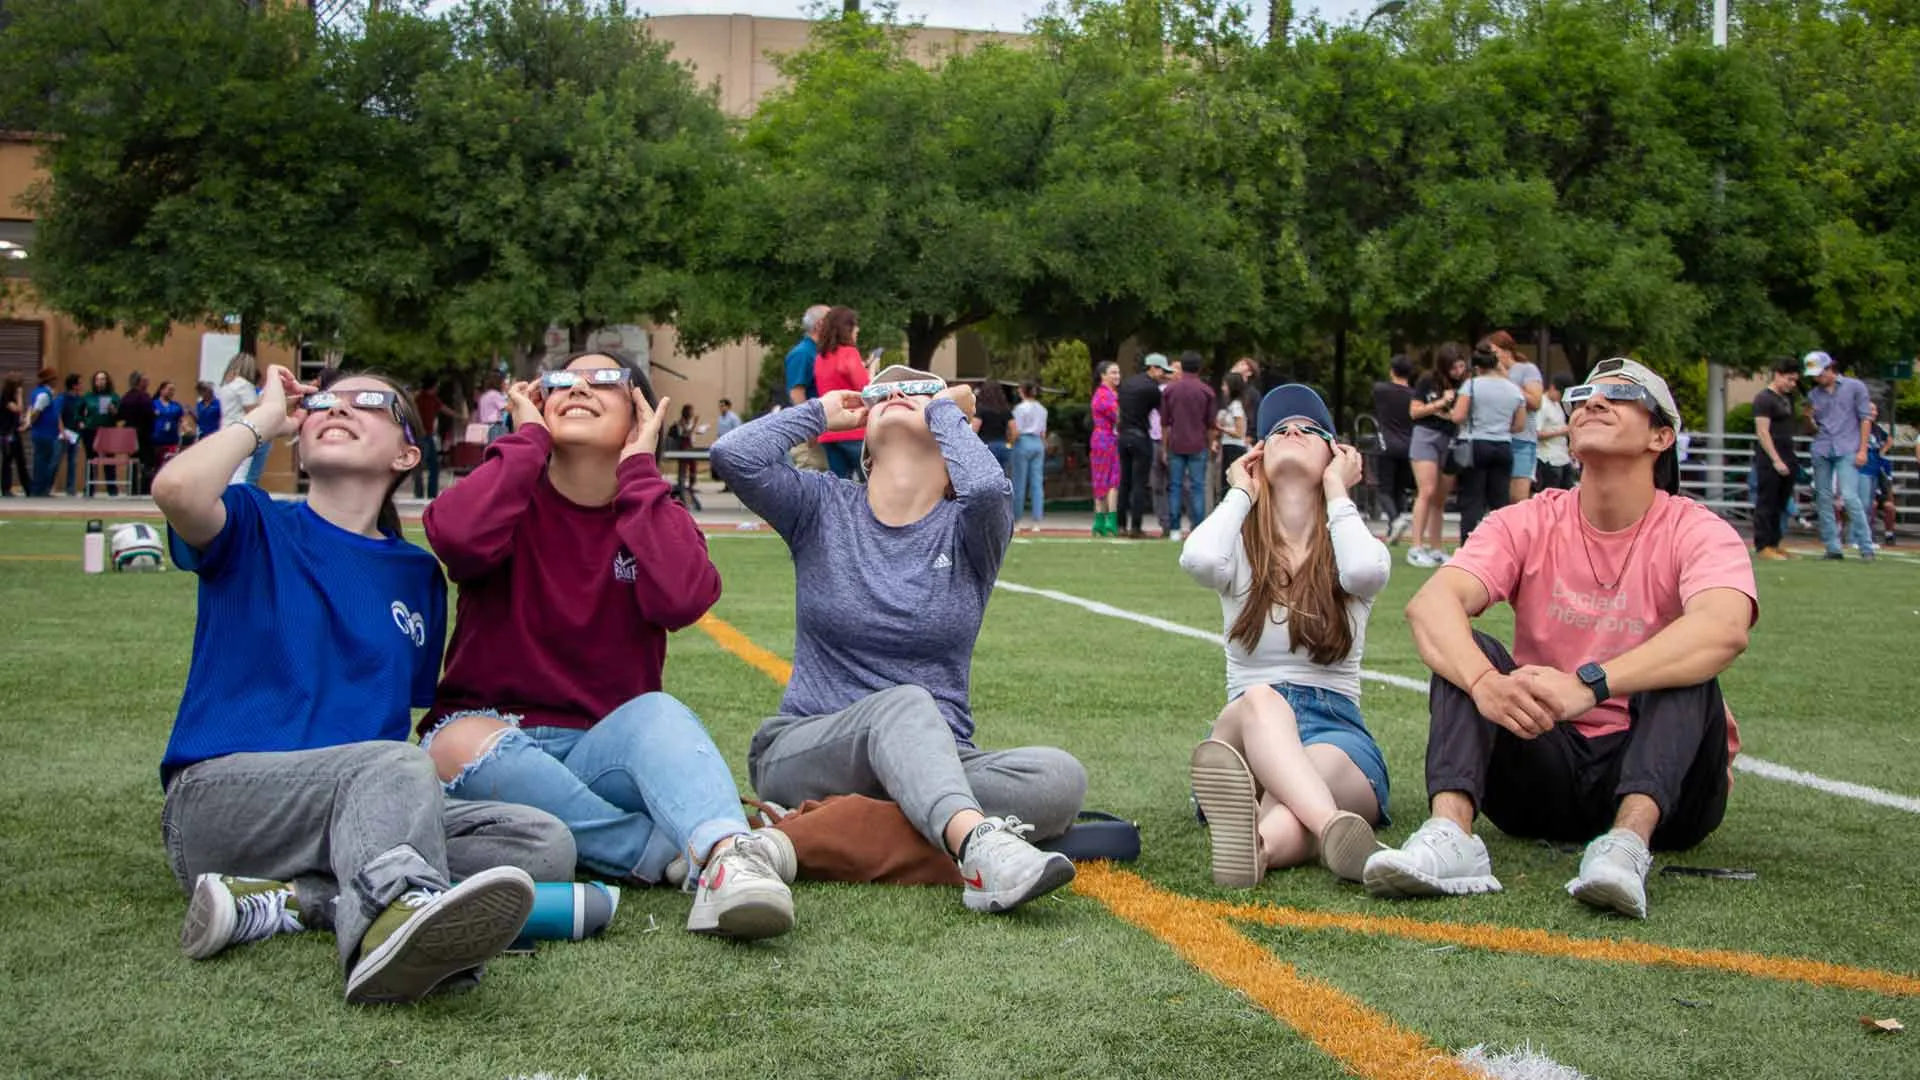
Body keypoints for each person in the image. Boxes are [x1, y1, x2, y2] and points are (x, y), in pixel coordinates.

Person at [152, 363, 573, 1003]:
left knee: (541, 843)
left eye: (368, 402)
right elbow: (178, 488)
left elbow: (402, 706)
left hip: (357, 808)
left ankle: (296, 902)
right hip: (222, 803)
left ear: (407, 452)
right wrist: (264, 420)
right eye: (322, 402)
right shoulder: (254, 523)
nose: (337, 409)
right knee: (394, 767)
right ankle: (389, 930)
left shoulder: (416, 577)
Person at [420, 352, 796, 940]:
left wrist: (640, 471)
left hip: (601, 754)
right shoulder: (508, 494)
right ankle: (659, 851)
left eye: (605, 382)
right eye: (563, 381)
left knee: (658, 713)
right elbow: (457, 539)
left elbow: (683, 599)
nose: (580, 389)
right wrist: (525, 444)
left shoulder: (650, 511)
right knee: (458, 739)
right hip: (494, 747)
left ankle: (729, 859)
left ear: (640, 413)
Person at [1365, 357, 1755, 920]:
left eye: (1620, 395)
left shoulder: (1696, 530)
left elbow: (1723, 629)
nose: (1593, 402)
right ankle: (1451, 836)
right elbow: (1430, 605)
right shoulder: (1526, 520)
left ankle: (1627, 846)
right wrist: (1484, 684)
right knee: (1469, 649)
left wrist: (1589, 685)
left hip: (1671, 796)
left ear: (1661, 435)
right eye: (1584, 398)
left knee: (1686, 666)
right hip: (1543, 769)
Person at [710, 365, 1088, 914]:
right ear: (864, 443)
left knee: (1058, 780)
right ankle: (975, 844)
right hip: (806, 747)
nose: (901, 395)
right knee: (906, 705)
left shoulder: (970, 529)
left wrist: (944, 411)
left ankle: (808, 832)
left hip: (939, 757)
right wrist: (820, 413)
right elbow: (732, 457)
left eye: (920, 390)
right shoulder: (823, 507)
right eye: (887, 391)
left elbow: (985, 487)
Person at [1182, 384, 1393, 888]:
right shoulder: (1236, 546)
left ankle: (1256, 849)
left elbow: (1365, 572)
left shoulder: (1352, 543)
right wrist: (1240, 490)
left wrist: (1338, 491)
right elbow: (1199, 559)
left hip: (1336, 728)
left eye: (1311, 429)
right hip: (1248, 726)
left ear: (1336, 455)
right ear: (1257, 456)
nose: (1293, 431)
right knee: (1262, 701)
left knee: (1299, 783)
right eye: (1278, 430)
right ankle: (1333, 829)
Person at [1802, 351, 1875, 560]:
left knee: (1851, 497)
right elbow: (1812, 428)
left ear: (1830, 368)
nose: (1817, 378)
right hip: (1822, 447)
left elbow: (1865, 419)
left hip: (1848, 447)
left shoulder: (1855, 387)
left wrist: (1863, 450)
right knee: (1823, 498)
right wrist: (1808, 418)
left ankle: (1866, 546)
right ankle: (1832, 547)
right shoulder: (1814, 394)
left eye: (1820, 373)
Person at [1450, 347, 1527, 541]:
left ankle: (1467, 545)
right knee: (1499, 501)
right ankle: (1501, 546)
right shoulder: (1514, 389)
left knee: (1472, 499)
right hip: (1503, 445)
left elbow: (1458, 416)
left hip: (1476, 443)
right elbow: (1519, 425)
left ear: (1477, 367)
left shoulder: (1472, 385)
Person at [1407, 346, 1467, 568]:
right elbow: (1414, 411)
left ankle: (1437, 546)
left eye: (1462, 366)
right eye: (1454, 366)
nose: (1459, 370)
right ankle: (1416, 546)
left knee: (1440, 497)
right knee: (1427, 490)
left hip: (1449, 438)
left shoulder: (1464, 384)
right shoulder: (1427, 381)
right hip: (1426, 435)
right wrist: (1441, 403)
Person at [1482, 331, 1543, 503]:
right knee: (1497, 497)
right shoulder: (1487, 374)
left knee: (1518, 498)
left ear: (1507, 351)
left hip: (1521, 440)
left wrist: (1506, 379)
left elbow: (1536, 402)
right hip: (1495, 439)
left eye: (1494, 352)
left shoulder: (1526, 369)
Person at [1161, 352, 1217, 541]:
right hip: (1198, 444)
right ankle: (1198, 528)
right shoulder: (1206, 391)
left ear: (1182, 366)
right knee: (1198, 487)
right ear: (1199, 368)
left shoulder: (1170, 390)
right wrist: (1210, 446)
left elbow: (1165, 422)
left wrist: (1164, 447)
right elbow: (1211, 424)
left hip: (1176, 443)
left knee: (1175, 486)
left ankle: (1175, 529)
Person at [811, 307, 871, 480]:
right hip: (854, 429)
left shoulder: (820, 358)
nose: (858, 329)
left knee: (839, 488)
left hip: (829, 430)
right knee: (869, 485)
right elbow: (865, 390)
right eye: (855, 325)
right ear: (847, 328)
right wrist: (871, 371)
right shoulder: (849, 353)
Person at [1117, 354, 1174, 539]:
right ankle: (1136, 526)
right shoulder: (1152, 389)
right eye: (1162, 371)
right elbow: (1163, 414)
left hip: (1123, 435)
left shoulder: (1127, 384)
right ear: (1153, 368)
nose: (1162, 375)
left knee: (1124, 482)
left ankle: (1120, 526)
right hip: (1141, 436)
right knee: (1139, 483)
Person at [1750, 358, 1801, 560]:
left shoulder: (1788, 398)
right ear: (1778, 374)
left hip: (1788, 455)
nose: (1792, 384)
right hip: (1769, 459)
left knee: (1781, 503)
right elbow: (1763, 432)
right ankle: (1763, 545)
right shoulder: (1763, 399)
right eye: (1789, 379)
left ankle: (1775, 542)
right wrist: (1775, 459)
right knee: (1767, 502)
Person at [1371, 356, 1417, 543]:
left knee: (1384, 489)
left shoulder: (1381, 390)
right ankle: (1393, 530)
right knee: (1399, 489)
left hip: (1386, 444)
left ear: (1392, 371)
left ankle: (1395, 519)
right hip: (1408, 445)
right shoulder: (1413, 395)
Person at [784, 304, 831, 471]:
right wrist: (810, 429)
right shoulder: (803, 353)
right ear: (819, 325)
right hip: (810, 437)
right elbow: (797, 393)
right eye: (832, 320)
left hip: (819, 432)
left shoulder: (818, 352)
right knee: (812, 481)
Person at [216, 355, 267, 486]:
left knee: (228, 472)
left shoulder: (226, 386)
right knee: (242, 475)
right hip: (241, 433)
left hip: (226, 430)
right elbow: (254, 412)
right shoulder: (244, 386)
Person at [1008, 379, 1048, 532]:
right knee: (1037, 483)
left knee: (1019, 482)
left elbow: (1016, 430)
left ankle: (1017, 520)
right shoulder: (1042, 409)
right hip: (1038, 442)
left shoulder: (1019, 408)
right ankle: (1037, 521)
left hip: (1023, 442)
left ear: (1022, 391)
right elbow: (1043, 431)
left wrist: (1011, 443)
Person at [1090, 361, 1122, 537]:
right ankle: (1110, 520)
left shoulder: (1101, 394)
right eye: (1113, 373)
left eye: (1118, 373)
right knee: (1112, 480)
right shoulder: (1106, 395)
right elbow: (1118, 417)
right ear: (1103, 375)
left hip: (1100, 438)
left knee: (1100, 479)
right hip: (1107, 438)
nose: (1117, 376)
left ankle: (1099, 521)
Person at [25, 367, 64, 497]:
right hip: (44, 433)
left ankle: (40, 489)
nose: (56, 381)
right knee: (43, 462)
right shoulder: (43, 394)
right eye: (54, 379)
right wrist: (31, 422)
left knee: (43, 461)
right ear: (50, 380)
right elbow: (36, 411)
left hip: (45, 433)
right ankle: (39, 490)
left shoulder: (41, 392)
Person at [1535, 373, 1576, 491]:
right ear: (1552, 388)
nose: (1561, 397)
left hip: (1562, 456)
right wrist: (1561, 431)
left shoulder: (1557, 404)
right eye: (1560, 393)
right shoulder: (1542, 404)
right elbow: (1537, 433)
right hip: (1548, 457)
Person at [121, 373, 158, 496]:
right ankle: (145, 488)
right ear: (139, 382)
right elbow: (150, 415)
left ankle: (132, 488)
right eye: (145, 381)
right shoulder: (144, 397)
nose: (147, 383)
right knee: (148, 462)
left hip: (130, 434)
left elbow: (121, 414)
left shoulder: (126, 397)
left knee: (133, 461)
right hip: (144, 434)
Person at [1217, 372, 1251, 499]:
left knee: (1229, 482)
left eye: (1225, 385)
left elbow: (1239, 432)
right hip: (1229, 446)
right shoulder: (1232, 405)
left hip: (1234, 448)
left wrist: (1221, 428)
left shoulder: (1236, 406)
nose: (1223, 388)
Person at [974, 380, 1014, 475]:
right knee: (1003, 476)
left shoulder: (981, 409)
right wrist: (1010, 443)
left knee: (987, 476)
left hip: (986, 446)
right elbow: (1015, 430)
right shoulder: (1005, 409)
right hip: (1003, 445)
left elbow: (974, 430)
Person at [411, 380, 442, 500]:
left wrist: (459, 416)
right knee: (420, 465)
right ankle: (420, 493)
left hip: (428, 435)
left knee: (433, 465)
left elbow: (443, 408)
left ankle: (431, 493)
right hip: (421, 436)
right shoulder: (419, 398)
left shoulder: (433, 399)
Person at [57, 373, 85, 495]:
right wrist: (62, 432)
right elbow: (58, 416)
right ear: (74, 385)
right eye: (79, 383)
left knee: (73, 461)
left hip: (75, 434)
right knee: (56, 460)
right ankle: (47, 486)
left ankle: (71, 488)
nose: (81, 385)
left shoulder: (80, 399)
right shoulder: (63, 398)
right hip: (64, 433)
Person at [151, 381, 186, 472]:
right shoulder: (153, 404)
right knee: (157, 467)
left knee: (169, 467)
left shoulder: (176, 406)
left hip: (172, 442)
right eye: (169, 389)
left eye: (173, 390)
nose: (171, 392)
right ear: (162, 390)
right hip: (157, 442)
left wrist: (185, 427)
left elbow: (182, 420)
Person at [0, 378, 25, 496]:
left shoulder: (12, 398)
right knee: (8, 461)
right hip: (6, 435)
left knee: (20, 461)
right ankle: (6, 488)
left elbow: (19, 412)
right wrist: (20, 395)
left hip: (14, 433)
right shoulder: (6, 398)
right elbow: (17, 409)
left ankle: (28, 487)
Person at [476, 374, 509, 442]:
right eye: (503, 383)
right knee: (497, 449)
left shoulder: (484, 395)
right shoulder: (495, 394)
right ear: (499, 383)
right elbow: (507, 408)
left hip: (483, 426)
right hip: (494, 427)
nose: (505, 385)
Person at [190, 382, 222, 450]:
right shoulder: (199, 405)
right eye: (201, 391)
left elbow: (222, 418)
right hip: (203, 436)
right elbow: (200, 422)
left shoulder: (218, 403)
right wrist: (192, 414)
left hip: (215, 435)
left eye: (206, 389)